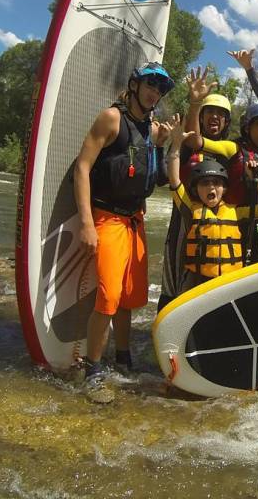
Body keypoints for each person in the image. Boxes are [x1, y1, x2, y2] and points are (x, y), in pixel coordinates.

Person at [72, 61, 174, 401]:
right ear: (134, 85)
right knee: (109, 297)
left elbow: (158, 178)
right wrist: (87, 222)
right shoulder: (111, 118)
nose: (155, 92)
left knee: (129, 297)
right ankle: (93, 370)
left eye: (160, 88)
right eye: (150, 84)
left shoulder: (150, 129)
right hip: (108, 218)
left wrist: (162, 144)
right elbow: (82, 168)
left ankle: (123, 358)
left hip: (135, 221)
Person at [166, 116, 258, 290]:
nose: (211, 187)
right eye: (205, 183)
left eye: (217, 183)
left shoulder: (235, 212)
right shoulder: (189, 209)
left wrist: (255, 178)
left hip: (227, 283)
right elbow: (174, 179)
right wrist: (176, 144)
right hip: (197, 282)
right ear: (195, 189)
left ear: (224, 189)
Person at [159, 66, 233, 310]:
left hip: (217, 221)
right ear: (201, 117)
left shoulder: (230, 151)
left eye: (220, 114)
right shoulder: (188, 146)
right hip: (185, 215)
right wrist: (195, 103)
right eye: (209, 112)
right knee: (174, 278)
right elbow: (191, 139)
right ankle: (166, 321)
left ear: (227, 121)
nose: (215, 117)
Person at [194, 101, 258, 264]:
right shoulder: (233, 148)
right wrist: (195, 104)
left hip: (253, 222)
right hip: (229, 220)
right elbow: (196, 142)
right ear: (247, 128)